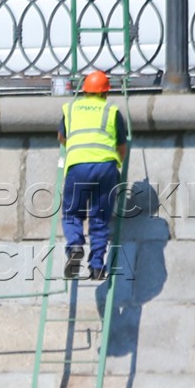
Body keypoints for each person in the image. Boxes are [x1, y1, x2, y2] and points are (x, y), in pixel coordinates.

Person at [58, 70, 126, 282]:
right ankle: (97, 266)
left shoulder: (70, 109)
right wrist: (118, 165)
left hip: (78, 165)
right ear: (106, 93)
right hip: (106, 167)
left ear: (85, 90)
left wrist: (75, 150)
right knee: (100, 218)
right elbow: (121, 146)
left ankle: (75, 246)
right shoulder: (112, 111)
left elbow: (62, 136)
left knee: (72, 214)